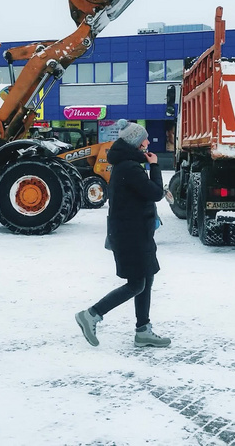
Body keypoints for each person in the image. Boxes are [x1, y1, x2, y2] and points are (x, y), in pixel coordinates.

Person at [75, 119, 171, 348]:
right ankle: (91, 315)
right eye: (144, 139)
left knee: (146, 278)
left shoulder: (128, 165)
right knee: (137, 283)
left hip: (137, 232)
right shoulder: (128, 167)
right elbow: (155, 193)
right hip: (131, 236)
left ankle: (143, 330)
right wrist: (155, 166)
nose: (148, 142)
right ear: (136, 144)